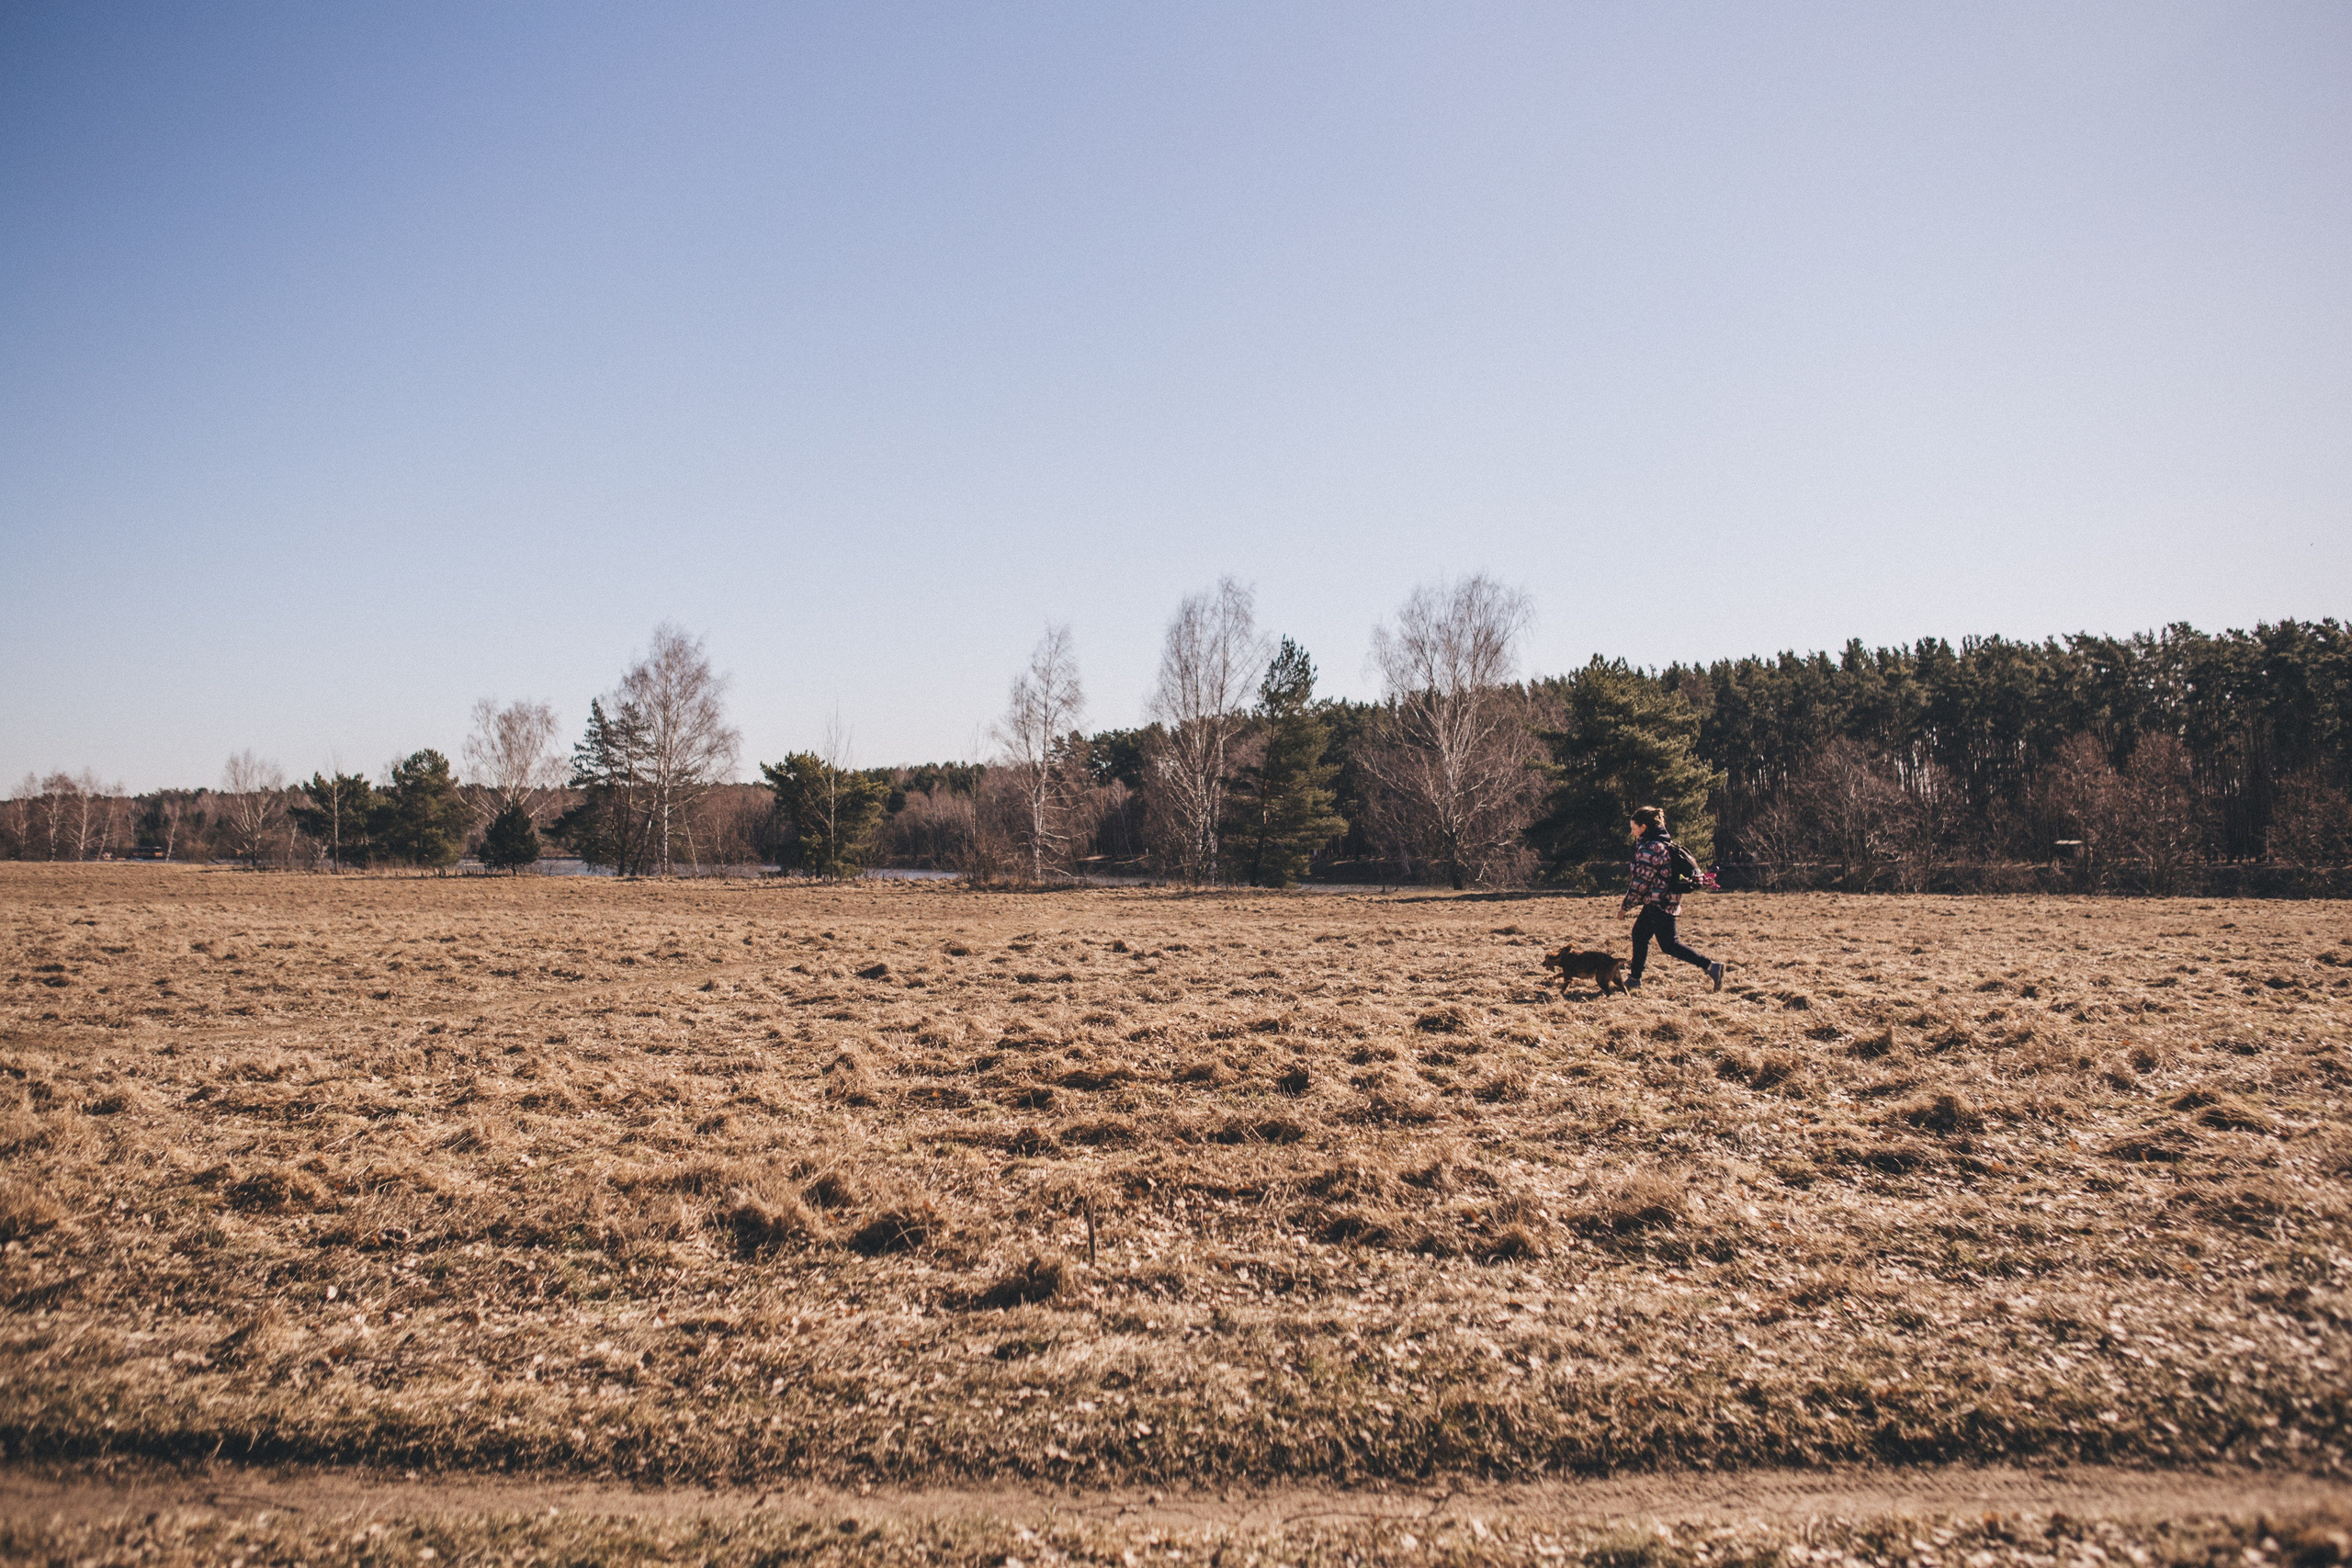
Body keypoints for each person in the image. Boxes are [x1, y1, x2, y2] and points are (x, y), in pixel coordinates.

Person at [1622, 806, 1724, 993]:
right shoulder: (1662, 843)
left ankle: (1711, 966)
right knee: (1640, 934)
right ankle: (1635, 978)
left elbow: (1640, 881)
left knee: (1670, 944)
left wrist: (1625, 907)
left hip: (1658, 901)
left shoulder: (1650, 847)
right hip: (1664, 899)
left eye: (1634, 828)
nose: (1632, 832)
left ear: (1643, 827)